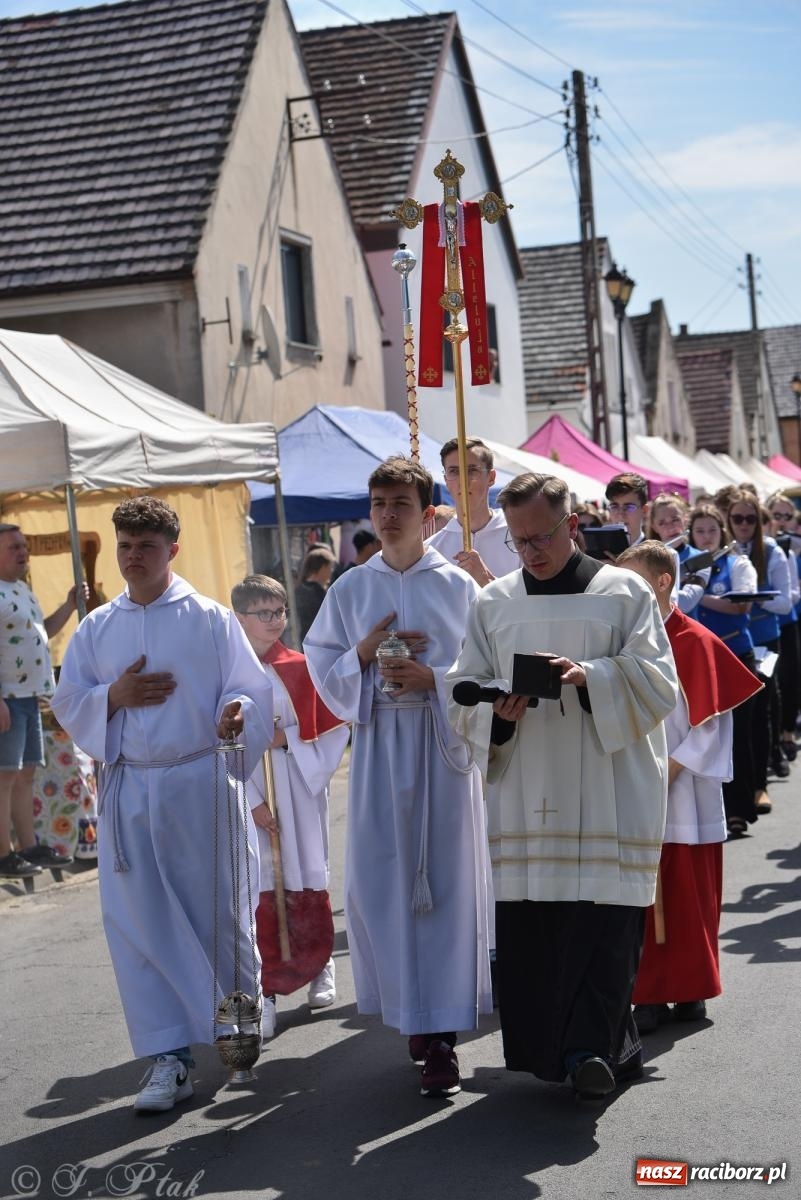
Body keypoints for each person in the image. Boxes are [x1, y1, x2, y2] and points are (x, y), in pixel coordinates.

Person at [447, 472, 677, 1100]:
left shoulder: (623, 591)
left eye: (541, 537)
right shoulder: (493, 602)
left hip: (608, 788)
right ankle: (561, 1052)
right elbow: (461, 689)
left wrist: (591, 677)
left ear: (571, 526)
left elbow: (660, 684)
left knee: (602, 931)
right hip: (529, 792)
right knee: (537, 935)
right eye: (519, 541)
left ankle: (589, 1053)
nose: (530, 552)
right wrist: (496, 714)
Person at [52, 497, 274, 1113]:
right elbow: (69, 703)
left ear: (172, 550)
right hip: (131, 790)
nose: (132, 557)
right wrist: (112, 697)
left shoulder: (207, 618)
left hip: (198, 782)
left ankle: (237, 1024)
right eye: (124, 546)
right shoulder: (98, 627)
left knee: (217, 914)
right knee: (141, 925)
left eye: (146, 547)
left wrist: (238, 713)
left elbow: (250, 688)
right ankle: (168, 1060)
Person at [304, 456, 492, 1098]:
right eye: (378, 503)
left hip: (442, 749)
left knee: (445, 886)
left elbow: (486, 669)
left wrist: (433, 680)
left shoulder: (458, 587)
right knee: (385, 882)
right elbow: (319, 663)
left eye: (400, 504)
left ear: (428, 512)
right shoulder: (352, 589)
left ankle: (441, 1035)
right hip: (381, 745)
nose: (387, 515)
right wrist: (361, 657)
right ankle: (410, 1011)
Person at [617, 541, 761, 1034]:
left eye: (633, 581)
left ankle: (693, 987)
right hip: (637, 783)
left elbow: (711, 726)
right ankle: (652, 994)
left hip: (683, 791)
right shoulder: (624, 639)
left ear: (662, 582)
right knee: (642, 895)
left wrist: (665, 774)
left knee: (687, 893)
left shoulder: (695, 640)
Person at [232, 574, 349, 1040]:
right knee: (262, 885)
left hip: (299, 787)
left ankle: (319, 966)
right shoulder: (228, 672)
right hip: (252, 789)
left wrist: (289, 740)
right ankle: (269, 990)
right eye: (263, 613)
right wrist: (254, 801)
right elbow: (218, 740)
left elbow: (334, 728)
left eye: (279, 611)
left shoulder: (300, 666)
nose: (274, 620)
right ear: (238, 617)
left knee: (306, 873)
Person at [0, 523, 84, 880]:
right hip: (7, 697)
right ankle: (3, 854)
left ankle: (28, 846)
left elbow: (42, 631)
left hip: (29, 696)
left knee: (25, 775)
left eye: (24, 546)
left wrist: (68, 606)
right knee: (4, 778)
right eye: (14, 547)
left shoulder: (21, 590)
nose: (24, 552)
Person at [687, 503, 760, 838]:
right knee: (704, 739)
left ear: (722, 533)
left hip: (735, 654)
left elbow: (741, 604)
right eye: (699, 531)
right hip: (699, 661)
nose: (705, 537)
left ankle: (740, 810)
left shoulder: (737, 562)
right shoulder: (686, 564)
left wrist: (695, 594)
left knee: (739, 736)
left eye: (712, 531)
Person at [726, 489, 792, 817]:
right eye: (737, 518)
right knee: (734, 722)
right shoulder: (723, 553)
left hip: (765, 641)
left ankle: (759, 786)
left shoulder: (772, 552)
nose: (743, 524)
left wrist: (751, 597)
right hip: (731, 643)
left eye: (750, 519)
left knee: (761, 713)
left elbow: (785, 601)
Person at [425, 436, 512, 585]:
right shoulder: (431, 549)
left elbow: (530, 602)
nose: (463, 480)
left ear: (491, 477)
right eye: (453, 471)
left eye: (472, 470)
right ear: (445, 479)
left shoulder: (518, 537)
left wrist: (487, 581)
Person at [295, 547, 337, 644]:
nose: (332, 571)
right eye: (330, 567)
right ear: (323, 568)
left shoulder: (301, 587)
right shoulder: (316, 591)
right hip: (318, 643)